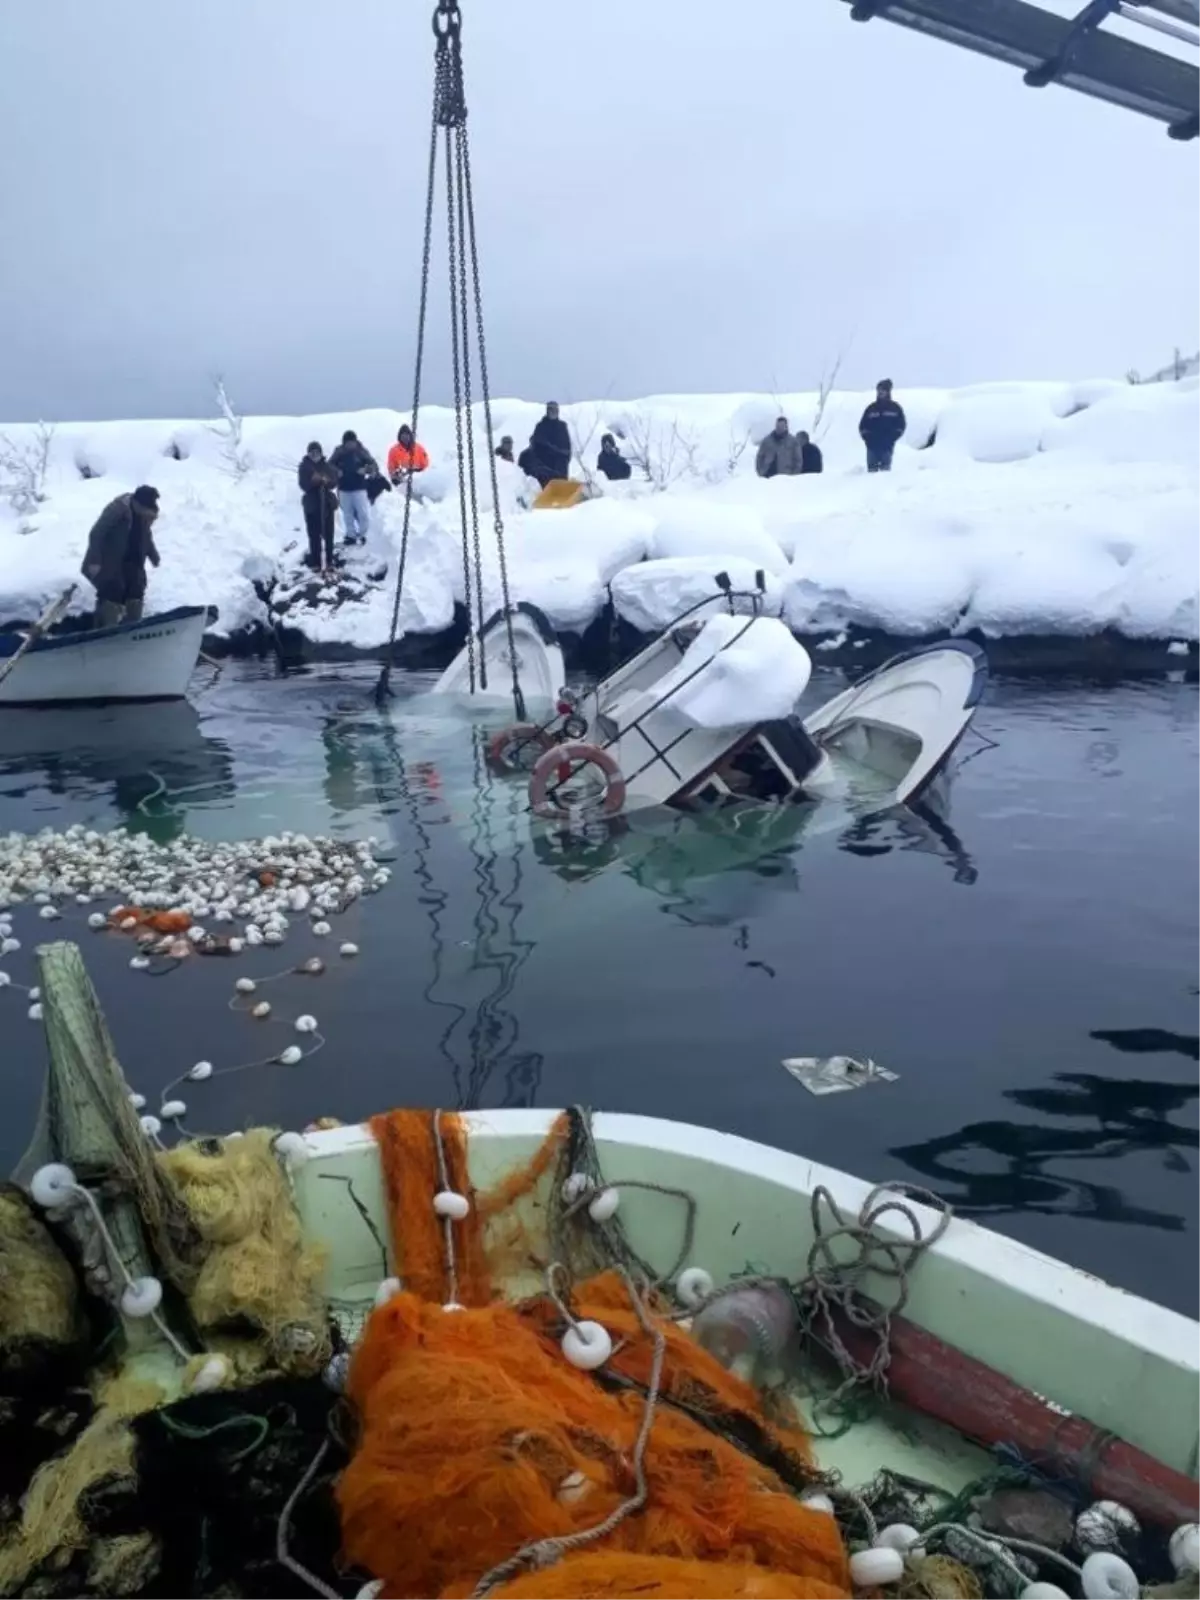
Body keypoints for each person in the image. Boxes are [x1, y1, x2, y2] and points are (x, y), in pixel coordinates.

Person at [80, 485, 161, 628]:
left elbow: (146, 536)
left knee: (136, 589)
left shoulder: (144, 515)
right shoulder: (116, 510)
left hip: (133, 561)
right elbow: (96, 533)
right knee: (112, 590)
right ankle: (105, 629)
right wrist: (95, 561)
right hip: (109, 560)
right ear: (137, 503)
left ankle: (132, 627)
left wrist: (153, 555)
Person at [330, 429, 379, 544]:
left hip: (359, 488)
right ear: (344, 443)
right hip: (344, 488)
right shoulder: (339, 452)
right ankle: (350, 535)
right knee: (347, 513)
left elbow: (374, 465)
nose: (350, 445)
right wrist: (337, 471)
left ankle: (364, 535)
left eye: (352, 442)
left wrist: (366, 470)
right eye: (348, 442)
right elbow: (329, 465)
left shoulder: (361, 451)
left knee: (363, 513)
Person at [298, 442, 339, 572]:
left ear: (321, 453)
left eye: (317, 452)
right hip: (312, 504)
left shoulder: (327, 466)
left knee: (329, 534)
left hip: (326, 503)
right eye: (312, 452)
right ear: (308, 454)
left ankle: (329, 561)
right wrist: (313, 481)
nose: (315, 455)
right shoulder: (304, 467)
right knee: (314, 534)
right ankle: (315, 562)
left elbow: (334, 482)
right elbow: (303, 485)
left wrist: (326, 481)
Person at [859, 379, 907, 473]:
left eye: (883, 390)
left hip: (887, 447)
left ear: (888, 392)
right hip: (872, 447)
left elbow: (901, 426)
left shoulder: (895, 408)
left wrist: (892, 437)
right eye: (879, 390)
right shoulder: (871, 408)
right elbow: (862, 426)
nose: (880, 392)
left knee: (885, 474)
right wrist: (868, 438)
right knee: (871, 473)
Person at [528, 401, 571, 485]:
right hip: (545, 465)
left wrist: (565, 458)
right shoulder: (541, 426)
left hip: (561, 465)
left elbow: (567, 445)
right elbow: (536, 446)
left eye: (555, 409)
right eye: (551, 409)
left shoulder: (562, 426)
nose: (553, 411)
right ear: (547, 411)